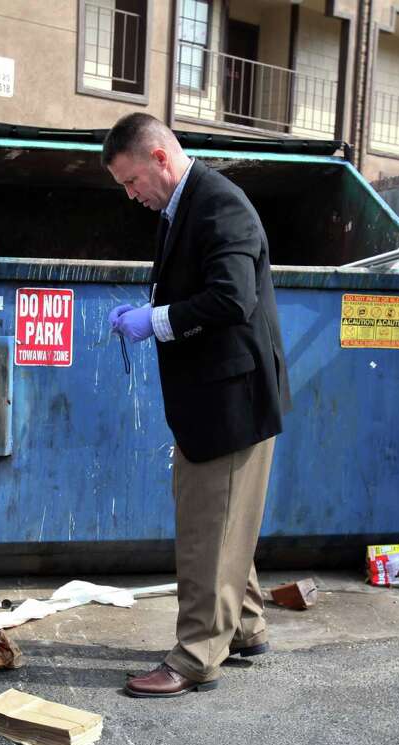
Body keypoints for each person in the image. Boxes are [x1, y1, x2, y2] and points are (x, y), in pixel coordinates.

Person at [102, 113, 290, 697]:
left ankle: (195, 656)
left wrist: (154, 322)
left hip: (231, 403)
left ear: (160, 157)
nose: (131, 196)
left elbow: (233, 298)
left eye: (132, 181)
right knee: (223, 520)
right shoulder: (181, 206)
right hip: (213, 399)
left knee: (207, 530)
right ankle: (246, 628)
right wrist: (151, 308)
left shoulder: (219, 205)